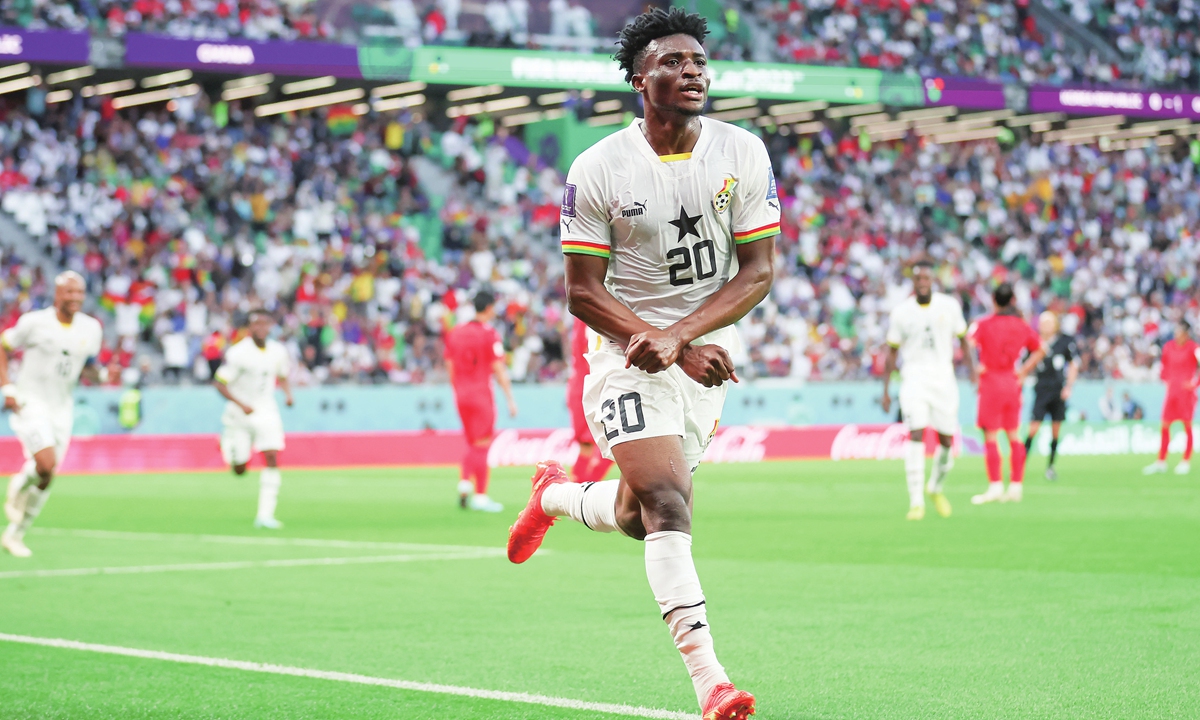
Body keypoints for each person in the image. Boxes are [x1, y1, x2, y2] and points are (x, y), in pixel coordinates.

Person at [506, 9, 777, 719]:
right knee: (666, 503)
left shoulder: (742, 152)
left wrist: (686, 340)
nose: (692, 70)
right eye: (673, 61)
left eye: (698, 61)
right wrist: (675, 347)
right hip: (625, 352)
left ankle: (555, 497)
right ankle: (712, 682)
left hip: (705, 352)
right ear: (638, 78)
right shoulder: (598, 168)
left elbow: (758, 272)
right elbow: (581, 292)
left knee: (634, 515)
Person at [1, 271, 103, 557]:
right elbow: (3, 345)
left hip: (62, 408)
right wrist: (8, 388)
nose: (75, 298)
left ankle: (15, 534)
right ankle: (21, 482)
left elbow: (87, 366)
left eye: (79, 292)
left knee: (48, 477)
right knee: (45, 464)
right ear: (57, 294)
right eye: (69, 292)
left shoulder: (91, 328)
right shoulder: (35, 323)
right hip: (31, 403)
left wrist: (103, 373)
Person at [881, 260, 975, 521]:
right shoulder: (901, 313)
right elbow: (891, 352)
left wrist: (974, 373)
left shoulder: (950, 306)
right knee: (916, 434)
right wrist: (886, 389)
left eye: (926, 279)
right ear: (913, 282)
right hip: (913, 379)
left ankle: (935, 487)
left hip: (944, 379)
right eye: (918, 279)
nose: (922, 282)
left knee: (946, 441)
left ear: (932, 281)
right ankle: (916, 502)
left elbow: (964, 342)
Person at [214, 310, 293, 529]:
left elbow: (283, 375)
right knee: (239, 468)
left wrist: (288, 394)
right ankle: (228, 447)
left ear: (271, 326)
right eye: (256, 324)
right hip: (240, 413)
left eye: (265, 323)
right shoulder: (238, 353)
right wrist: (241, 404)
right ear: (249, 328)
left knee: (271, 455)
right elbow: (220, 383)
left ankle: (265, 515)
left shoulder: (278, 351)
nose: (261, 328)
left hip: (266, 409)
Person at [968, 283, 1045, 505]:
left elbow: (967, 345)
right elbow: (1040, 349)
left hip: (991, 380)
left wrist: (976, 368)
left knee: (990, 435)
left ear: (994, 300)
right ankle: (1016, 485)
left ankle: (995, 485)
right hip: (1012, 381)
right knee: (1013, 434)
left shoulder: (983, 324)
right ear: (1012, 300)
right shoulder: (1021, 325)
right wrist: (1022, 371)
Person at [444, 290, 518, 512]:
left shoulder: (455, 333)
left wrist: (457, 389)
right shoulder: (490, 334)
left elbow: (449, 365)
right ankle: (477, 492)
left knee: (472, 444)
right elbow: (498, 369)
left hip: (461, 395)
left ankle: (468, 485)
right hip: (481, 395)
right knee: (483, 444)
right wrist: (510, 400)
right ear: (488, 309)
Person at [1024, 312, 1079, 481]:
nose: (1045, 326)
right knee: (1033, 429)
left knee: (1056, 431)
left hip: (1057, 392)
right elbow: (1027, 365)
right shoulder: (1034, 341)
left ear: (1055, 324)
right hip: (1041, 391)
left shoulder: (1064, 341)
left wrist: (1069, 386)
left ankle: (1050, 466)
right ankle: (1020, 466)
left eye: (1048, 322)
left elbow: (1073, 364)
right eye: (1042, 322)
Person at [1144, 319, 1199, 476]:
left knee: (1187, 426)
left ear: (1186, 334)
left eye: (1179, 332)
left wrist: (1195, 384)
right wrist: (1166, 379)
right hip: (1172, 393)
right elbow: (1164, 367)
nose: (1176, 335)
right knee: (1165, 425)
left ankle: (1185, 461)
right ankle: (1161, 461)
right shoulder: (1168, 347)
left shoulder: (1194, 348)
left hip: (1186, 394)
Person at [568, 317, 613, 483]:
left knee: (588, 447)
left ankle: (577, 494)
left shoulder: (580, 315)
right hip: (593, 387)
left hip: (579, 386)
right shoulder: (591, 316)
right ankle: (581, 494)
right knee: (616, 443)